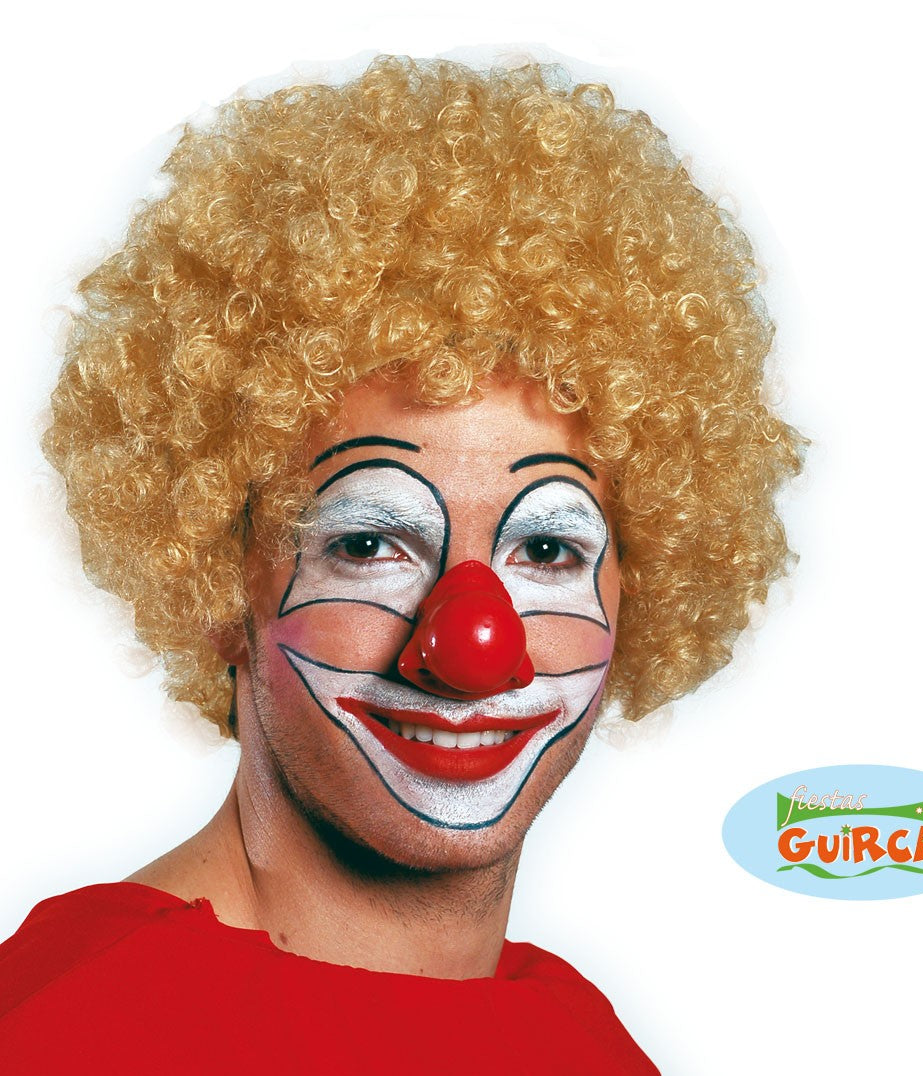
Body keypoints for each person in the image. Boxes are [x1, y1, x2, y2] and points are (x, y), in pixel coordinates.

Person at [0, 55, 802, 1072]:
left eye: (547, 547)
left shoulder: (578, 1044)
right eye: (369, 543)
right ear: (217, 577)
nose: (473, 646)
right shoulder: (73, 1028)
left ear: (637, 586)